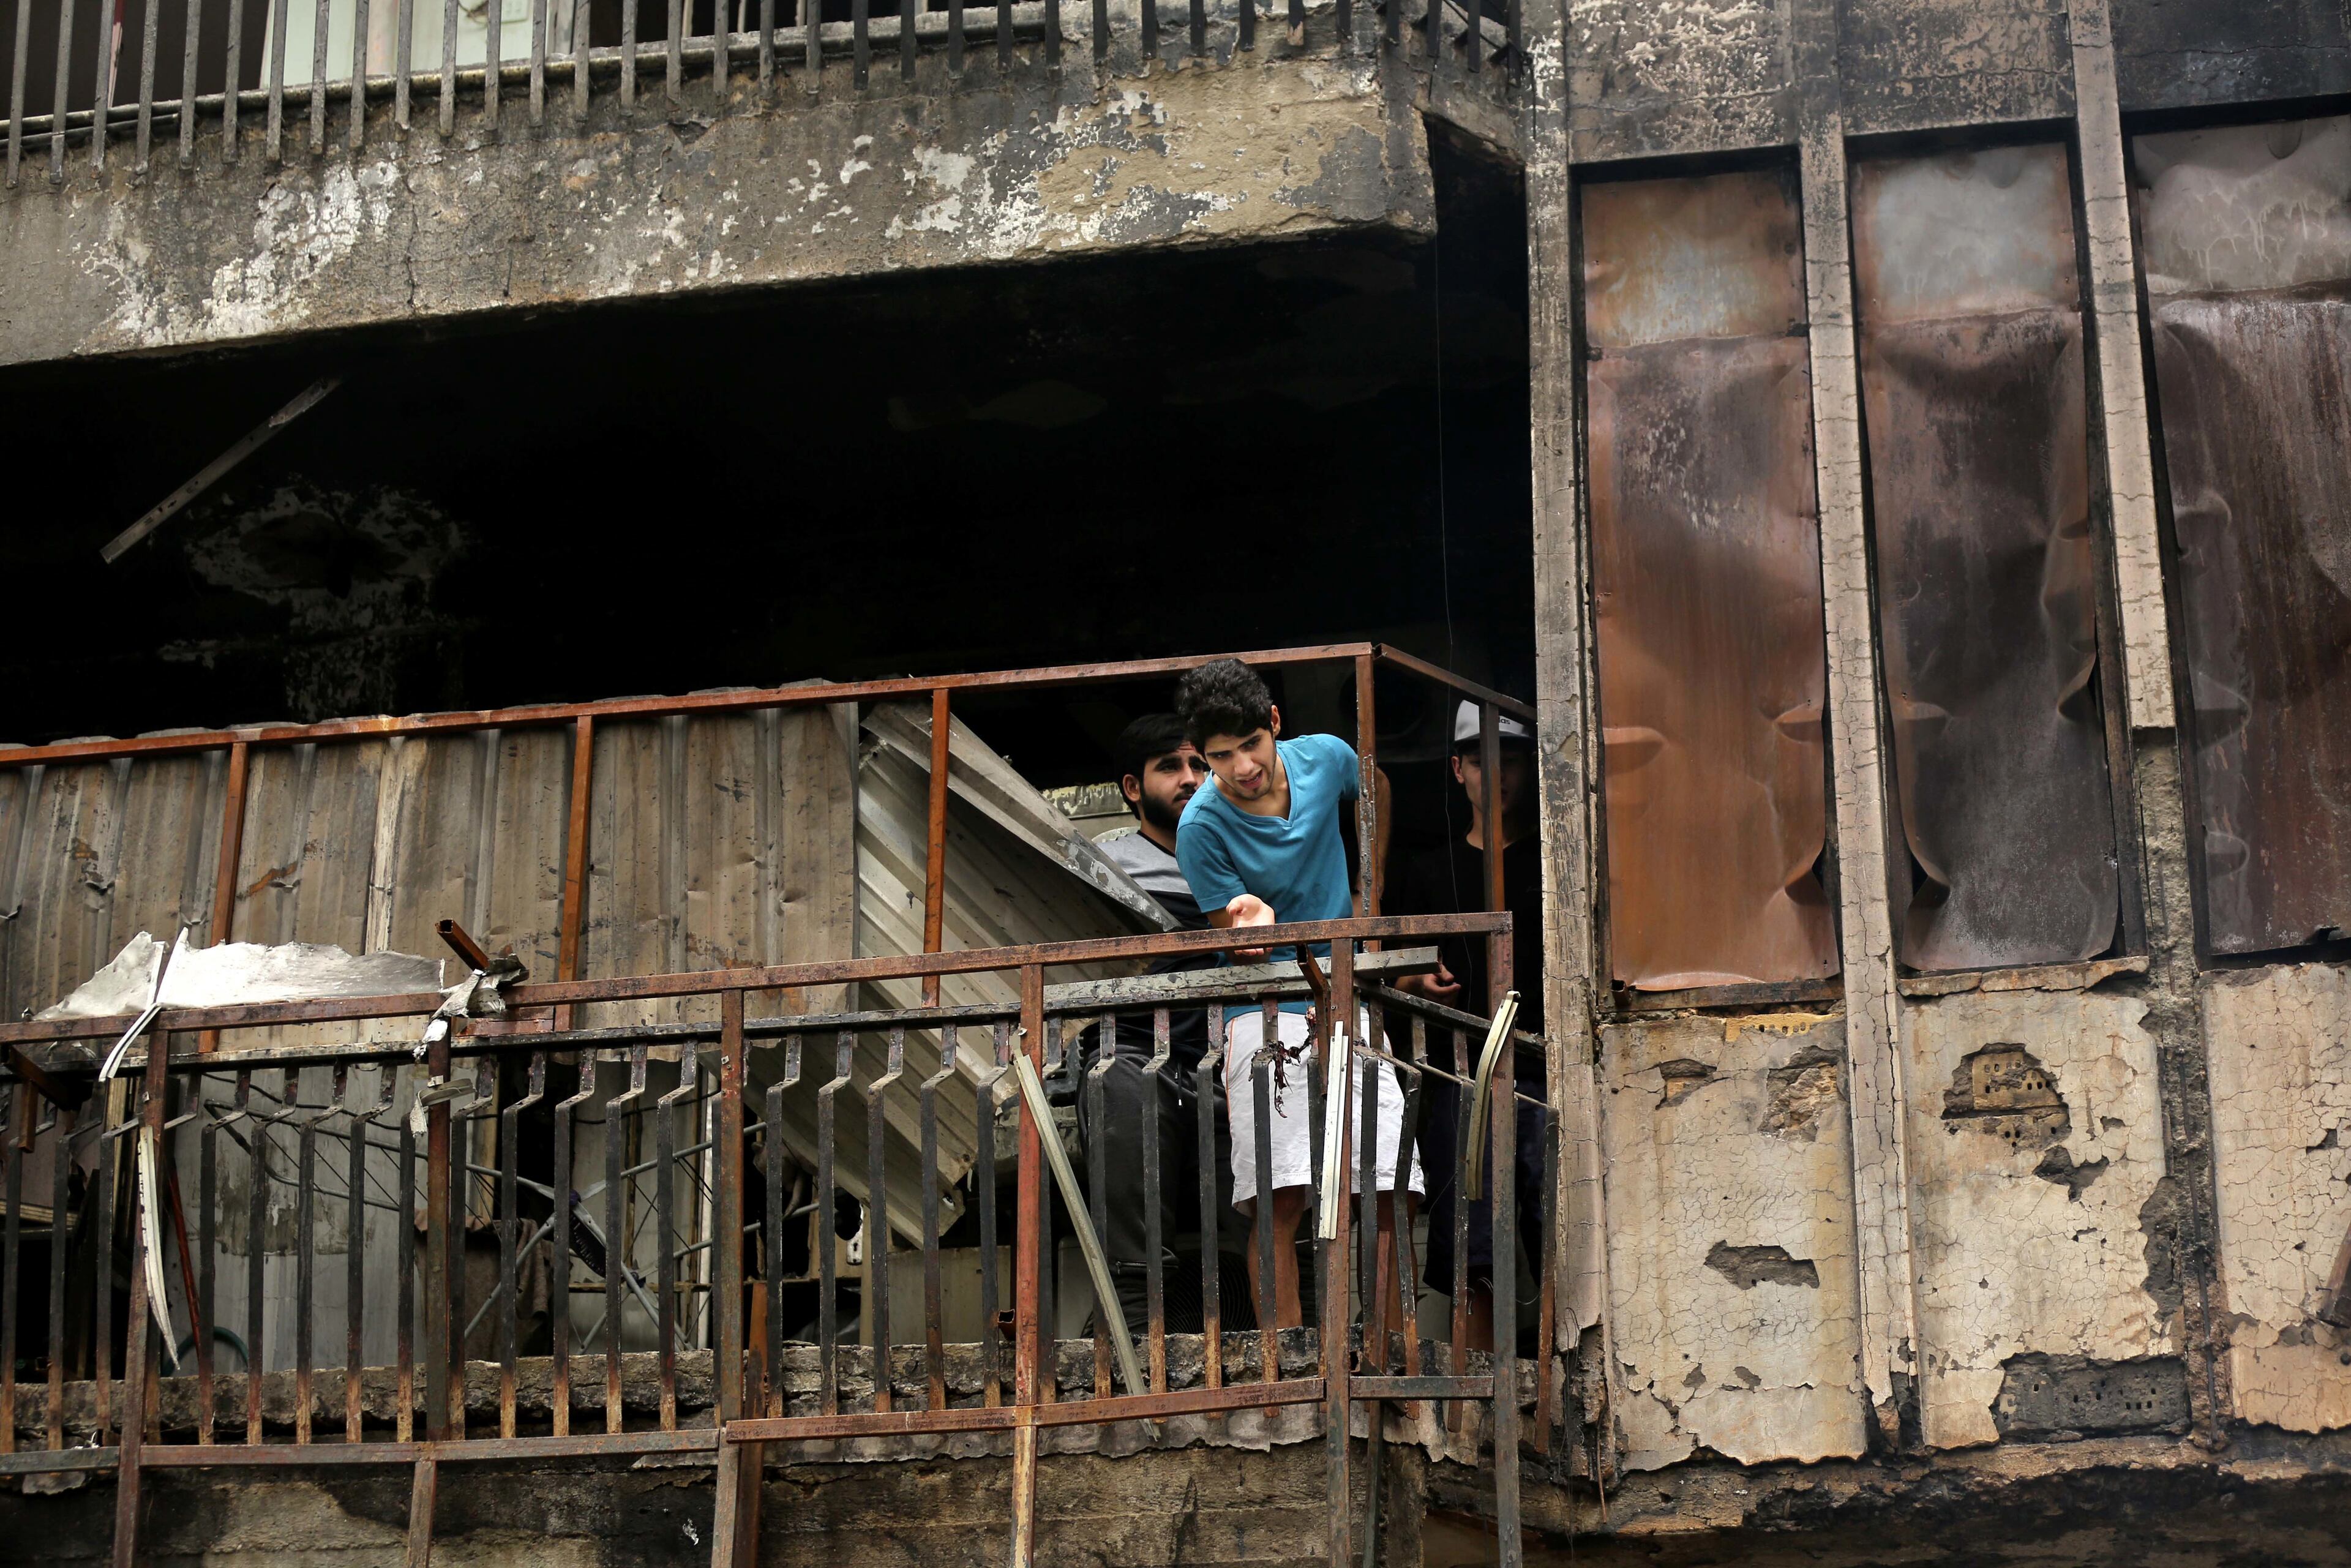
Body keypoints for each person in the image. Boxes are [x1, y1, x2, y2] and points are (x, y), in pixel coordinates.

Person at [1172, 658, 1420, 1330]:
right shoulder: (1199, 829)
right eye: (1221, 756)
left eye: (1251, 744)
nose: (1243, 766)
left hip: (1348, 995)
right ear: (1203, 756)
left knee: (1388, 1185)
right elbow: (1234, 932)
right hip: (1262, 1007)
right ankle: (1288, 1357)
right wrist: (1246, 922)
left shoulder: (1327, 759)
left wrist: (1369, 897)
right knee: (1282, 1192)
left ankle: (1390, 1351)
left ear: (1274, 722)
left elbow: (1376, 786)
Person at [1389, 699, 1551, 1352]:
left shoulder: (1555, 865)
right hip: (1462, 1070)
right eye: (1481, 758)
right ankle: (1479, 1381)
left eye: (1510, 757)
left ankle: (1558, 1368)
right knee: (1470, 1223)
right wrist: (1412, 980)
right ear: (1458, 769)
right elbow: (1390, 973)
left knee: (1555, 1212)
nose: (1497, 772)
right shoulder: (1428, 871)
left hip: (1546, 1062)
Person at [1076, 715, 1235, 1330]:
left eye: (1200, 765)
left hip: (1229, 1046)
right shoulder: (1106, 863)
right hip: (1135, 1045)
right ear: (1133, 786)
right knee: (1115, 1083)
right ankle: (1137, 1318)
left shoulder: (1242, 858)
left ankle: (1285, 1307)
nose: (1191, 779)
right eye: (1171, 767)